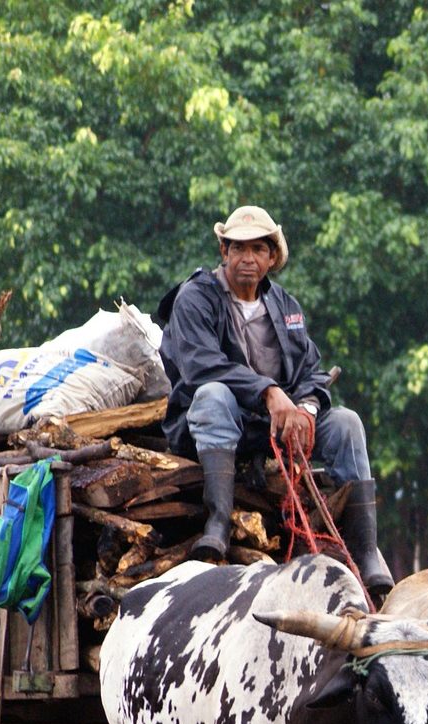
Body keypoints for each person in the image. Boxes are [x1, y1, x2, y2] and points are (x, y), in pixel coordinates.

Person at [154, 205, 392, 599]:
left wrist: (306, 410)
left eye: (258, 249)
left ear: (272, 257)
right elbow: (200, 367)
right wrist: (269, 392)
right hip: (216, 425)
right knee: (213, 395)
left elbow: (311, 373)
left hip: (273, 429)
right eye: (239, 249)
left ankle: (366, 552)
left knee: (347, 422)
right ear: (224, 251)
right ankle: (218, 523)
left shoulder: (286, 306)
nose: (248, 259)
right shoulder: (194, 298)